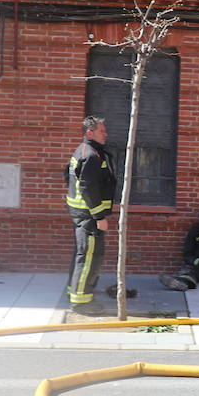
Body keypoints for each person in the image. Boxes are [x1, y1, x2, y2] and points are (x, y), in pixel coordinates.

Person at [65, 115, 117, 314]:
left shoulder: (86, 151)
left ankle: (75, 291)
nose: (106, 134)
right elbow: (87, 187)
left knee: (82, 254)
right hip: (89, 217)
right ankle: (81, 303)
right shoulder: (90, 155)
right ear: (90, 132)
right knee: (89, 257)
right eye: (102, 131)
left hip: (84, 216)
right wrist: (99, 217)